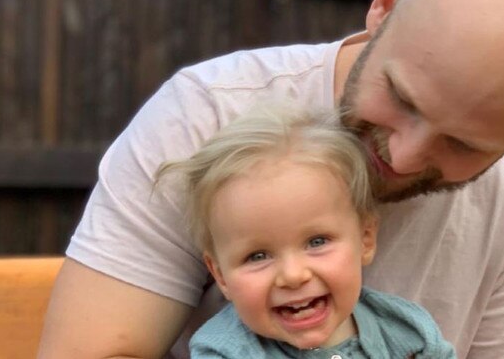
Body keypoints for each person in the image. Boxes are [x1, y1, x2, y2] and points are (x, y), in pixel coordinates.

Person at [37, 0, 504, 358]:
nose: (402, 160)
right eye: (401, 98)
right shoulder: (208, 113)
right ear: (384, 6)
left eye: (462, 144)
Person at [156, 105, 456, 358]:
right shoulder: (225, 352)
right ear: (221, 275)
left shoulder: (406, 331)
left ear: (365, 238)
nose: (293, 275)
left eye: (317, 241)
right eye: (257, 256)